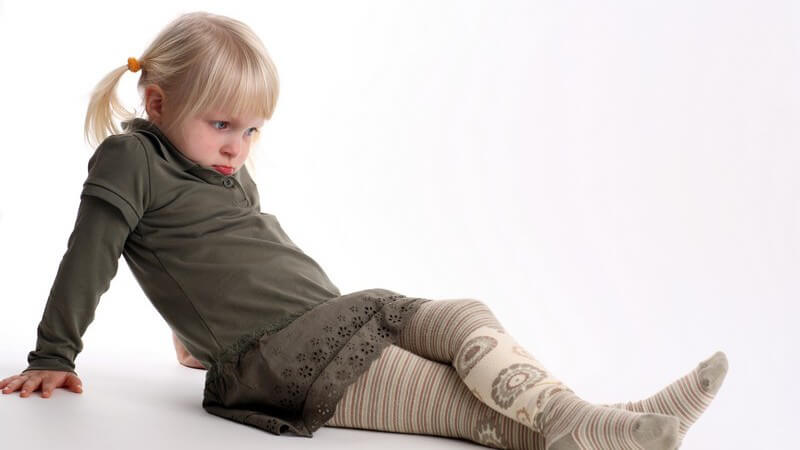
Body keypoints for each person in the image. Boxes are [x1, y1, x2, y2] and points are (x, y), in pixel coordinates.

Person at [0, 11, 728, 450]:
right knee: (454, 402)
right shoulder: (132, 158)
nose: (237, 146)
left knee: (463, 316)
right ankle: (606, 431)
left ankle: (604, 417)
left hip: (339, 315)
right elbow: (89, 256)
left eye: (253, 130)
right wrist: (53, 351)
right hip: (284, 361)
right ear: (156, 103)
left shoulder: (225, 174)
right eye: (221, 124)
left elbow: (217, 259)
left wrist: (190, 337)